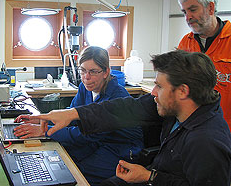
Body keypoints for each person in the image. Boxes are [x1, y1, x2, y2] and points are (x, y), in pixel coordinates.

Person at [28, 50, 231, 185]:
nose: (153, 93)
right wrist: (73, 113)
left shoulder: (206, 141)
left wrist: (150, 176)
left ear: (182, 91)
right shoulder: (176, 110)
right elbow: (124, 109)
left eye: (159, 86)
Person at [14, 46, 144, 185]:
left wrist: (46, 131)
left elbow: (87, 134)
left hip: (119, 149)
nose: (86, 77)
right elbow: (71, 116)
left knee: (73, 174)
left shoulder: (117, 97)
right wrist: (43, 121)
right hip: (96, 142)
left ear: (106, 72)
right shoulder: (86, 87)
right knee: (60, 158)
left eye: (93, 72)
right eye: (82, 70)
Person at [177, 0, 231, 130]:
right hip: (193, 128)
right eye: (184, 12)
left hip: (226, 130)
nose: (188, 17)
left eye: (192, 9)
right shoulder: (185, 43)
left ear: (211, 8)